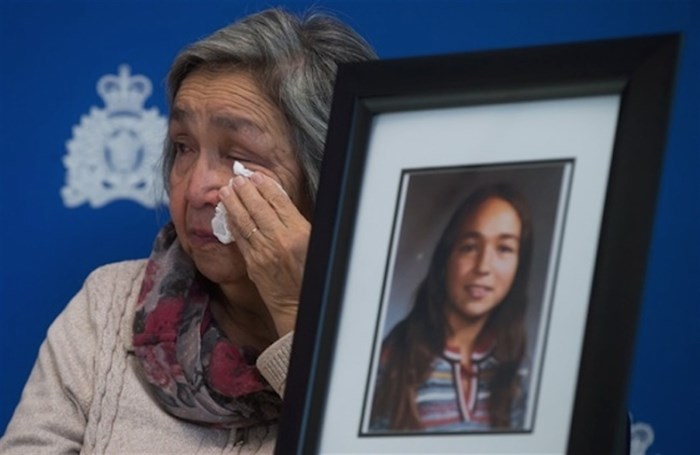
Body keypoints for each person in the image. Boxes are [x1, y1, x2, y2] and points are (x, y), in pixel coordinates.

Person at [0, 8, 376, 453]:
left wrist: (296, 312)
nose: (196, 188)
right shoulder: (106, 308)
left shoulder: (403, 339)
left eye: (239, 156)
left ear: (326, 176)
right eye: (183, 147)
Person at [370, 183, 534, 432]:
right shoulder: (390, 361)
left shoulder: (515, 368)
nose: (483, 267)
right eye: (469, 247)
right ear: (446, 256)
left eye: (504, 249)